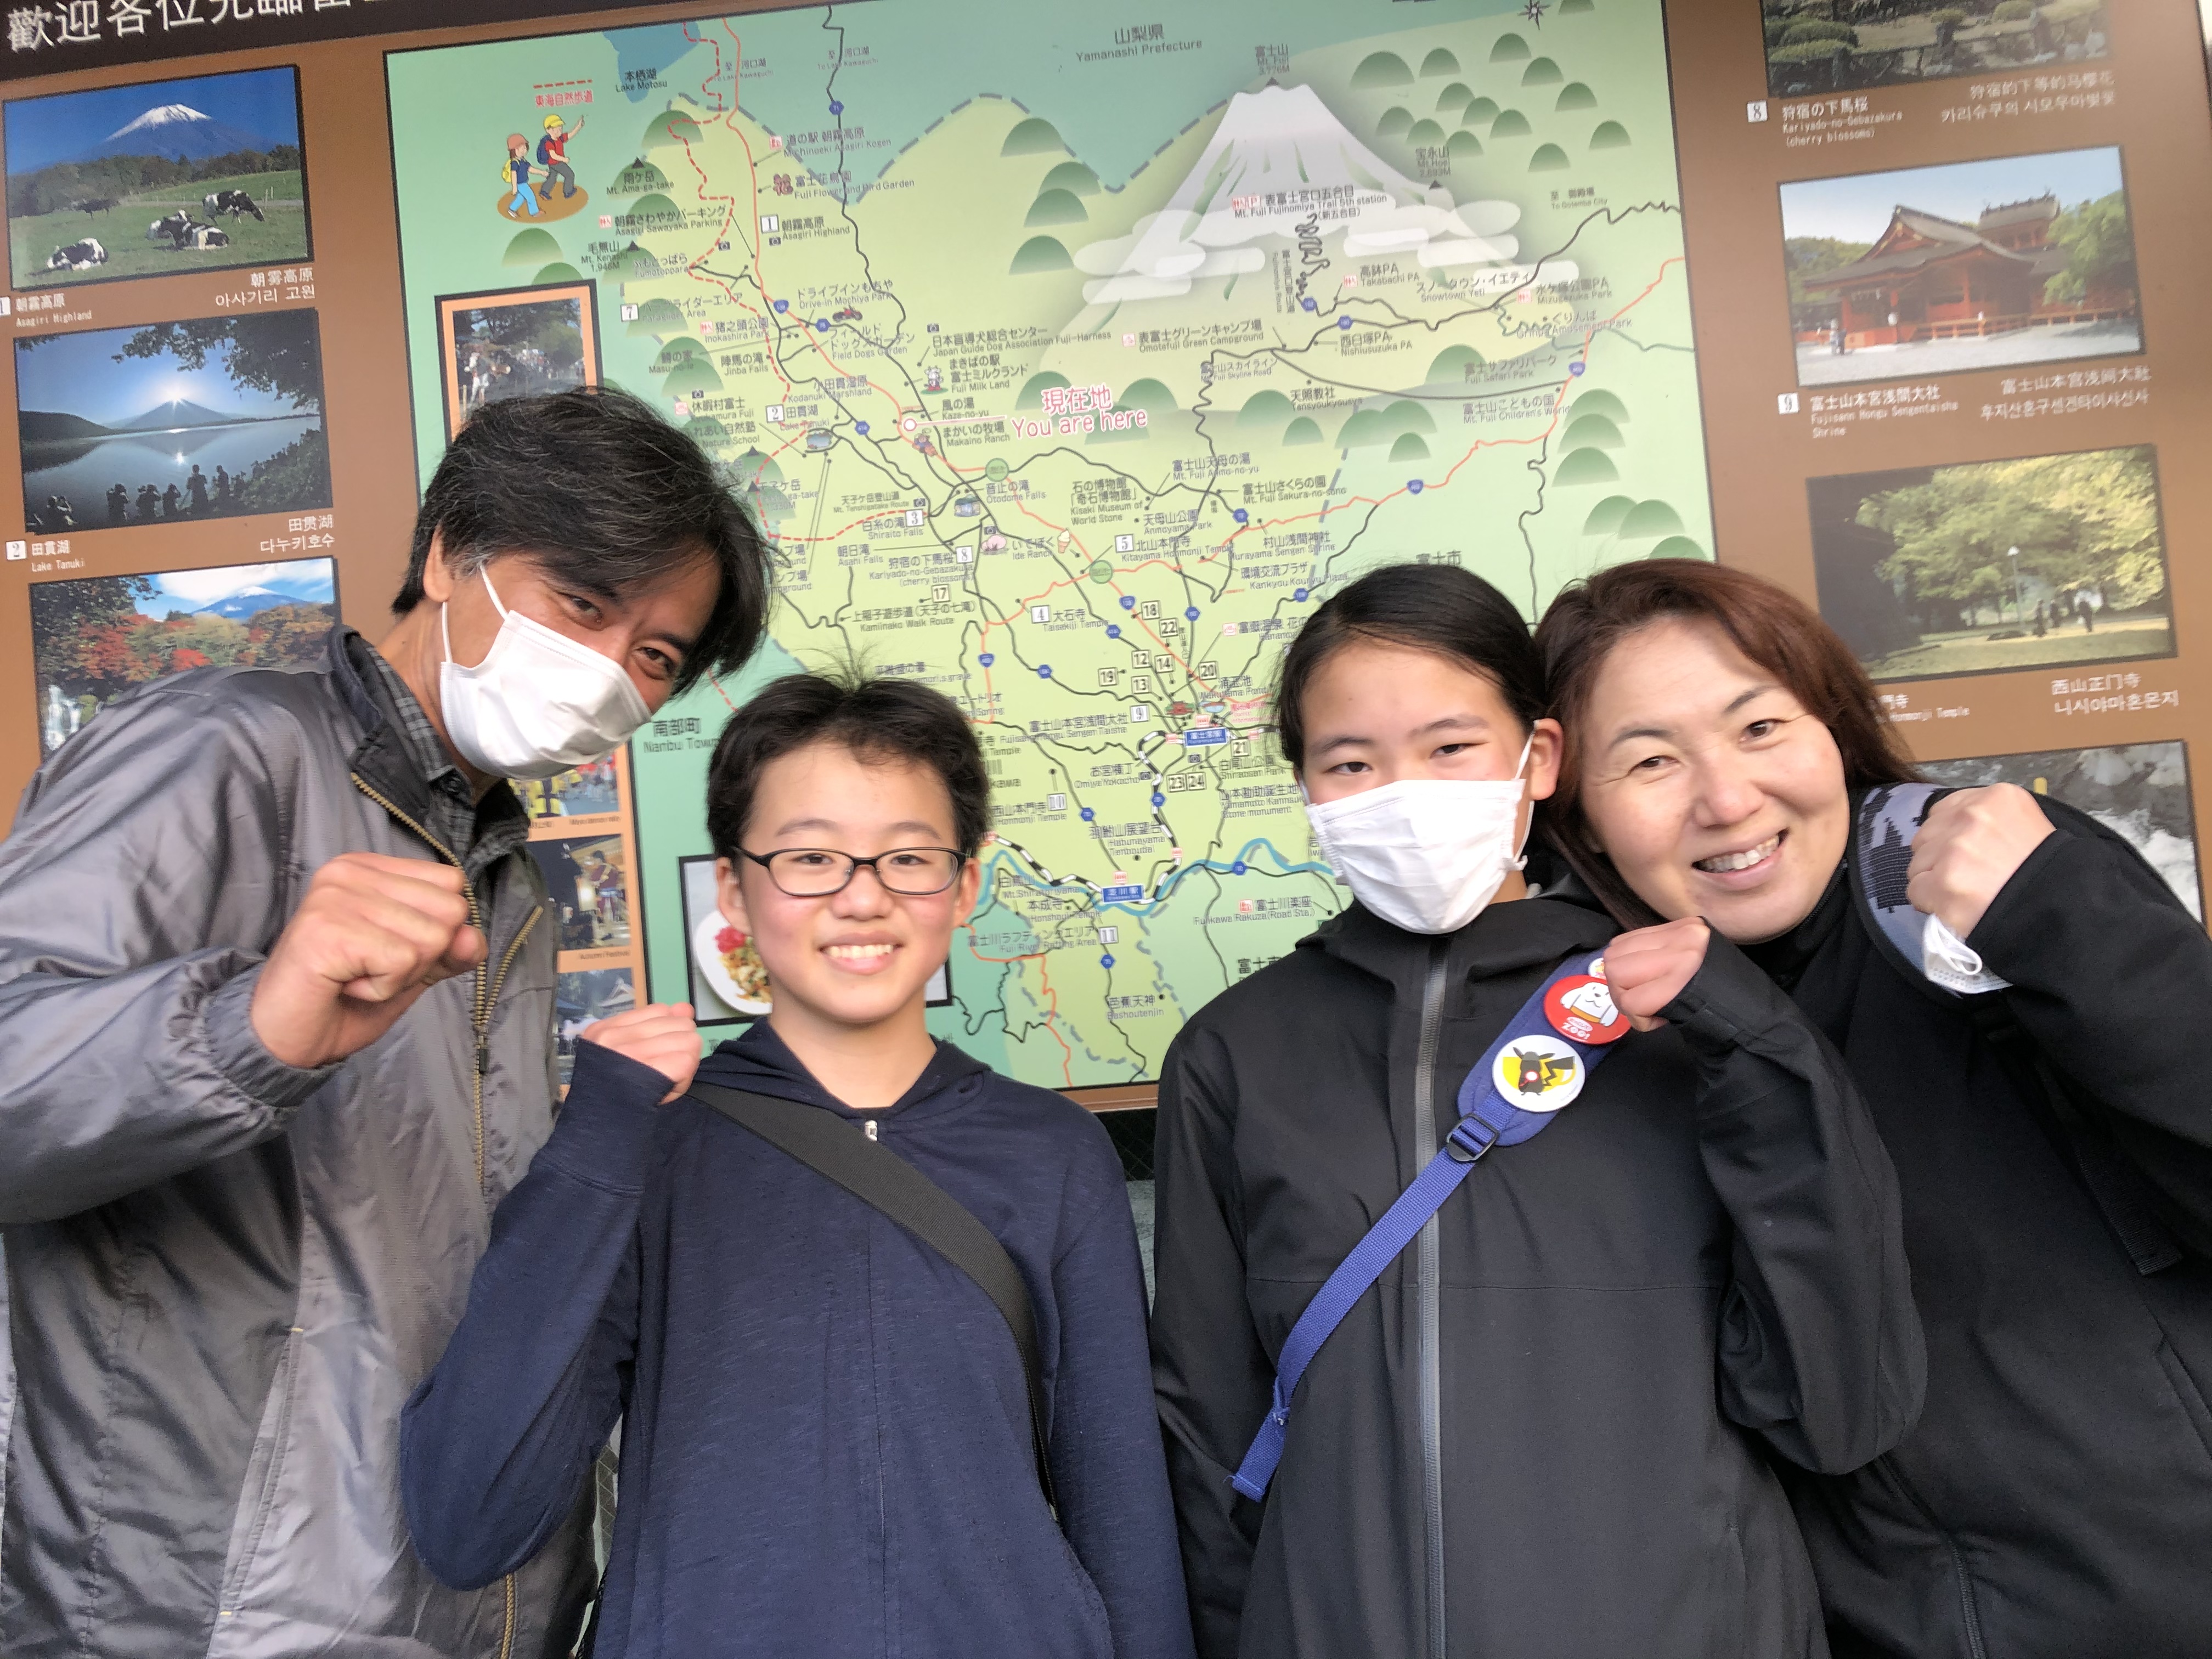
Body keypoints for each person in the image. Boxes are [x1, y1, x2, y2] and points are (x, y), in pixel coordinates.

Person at [0, 386, 770, 1658]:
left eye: (654, 657)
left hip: (457, 1596)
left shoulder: (504, 874)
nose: (609, 671)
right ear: (448, 552)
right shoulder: (219, 752)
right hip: (215, 1608)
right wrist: (248, 1033)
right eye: (584, 605)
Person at [1149, 563, 1920, 1659]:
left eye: (1450, 746)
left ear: (1539, 756)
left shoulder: (1695, 1018)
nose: (1404, 791)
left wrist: (1753, 1043)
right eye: (1351, 761)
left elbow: (1839, 1409)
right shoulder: (1233, 1053)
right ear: (1309, 788)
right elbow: (1205, 1432)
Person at [401, 672, 1194, 1659]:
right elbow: (470, 1521)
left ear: (964, 885)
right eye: (810, 856)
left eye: (909, 857)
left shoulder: (1053, 1151)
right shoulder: (649, 1147)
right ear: (733, 887)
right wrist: (594, 1149)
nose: (862, 896)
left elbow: (1121, 1504)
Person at [1535, 558, 2212, 1658]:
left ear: (1835, 729)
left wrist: (2054, 915)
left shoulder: (1992, 884)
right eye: (1652, 760)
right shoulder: (1590, 1041)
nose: (1726, 798)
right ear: (1580, 815)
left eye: (1760, 728)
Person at [537, 112, 584, 200]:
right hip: (557, 163)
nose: (558, 130)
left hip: (553, 164)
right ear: (548, 130)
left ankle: (544, 191)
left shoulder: (560, 138)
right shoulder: (549, 143)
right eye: (555, 129)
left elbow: (570, 135)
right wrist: (564, 160)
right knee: (570, 175)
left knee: (552, 178)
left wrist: (579, 126)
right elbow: (553, 155)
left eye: (560, 128)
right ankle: (568, 192)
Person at [505, 133, 540, 217]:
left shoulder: (523, 161)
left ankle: (512, 209)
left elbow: (530, 169)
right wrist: (515, 187)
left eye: (525, 147)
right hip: (521, 184)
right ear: (514, 150)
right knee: (531, 197)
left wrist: (542, 172)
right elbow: (514, 175)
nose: (524, 150)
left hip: (523, 183)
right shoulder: (515, 162)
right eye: (521, 148)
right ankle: (534, 212)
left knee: (521, 198)